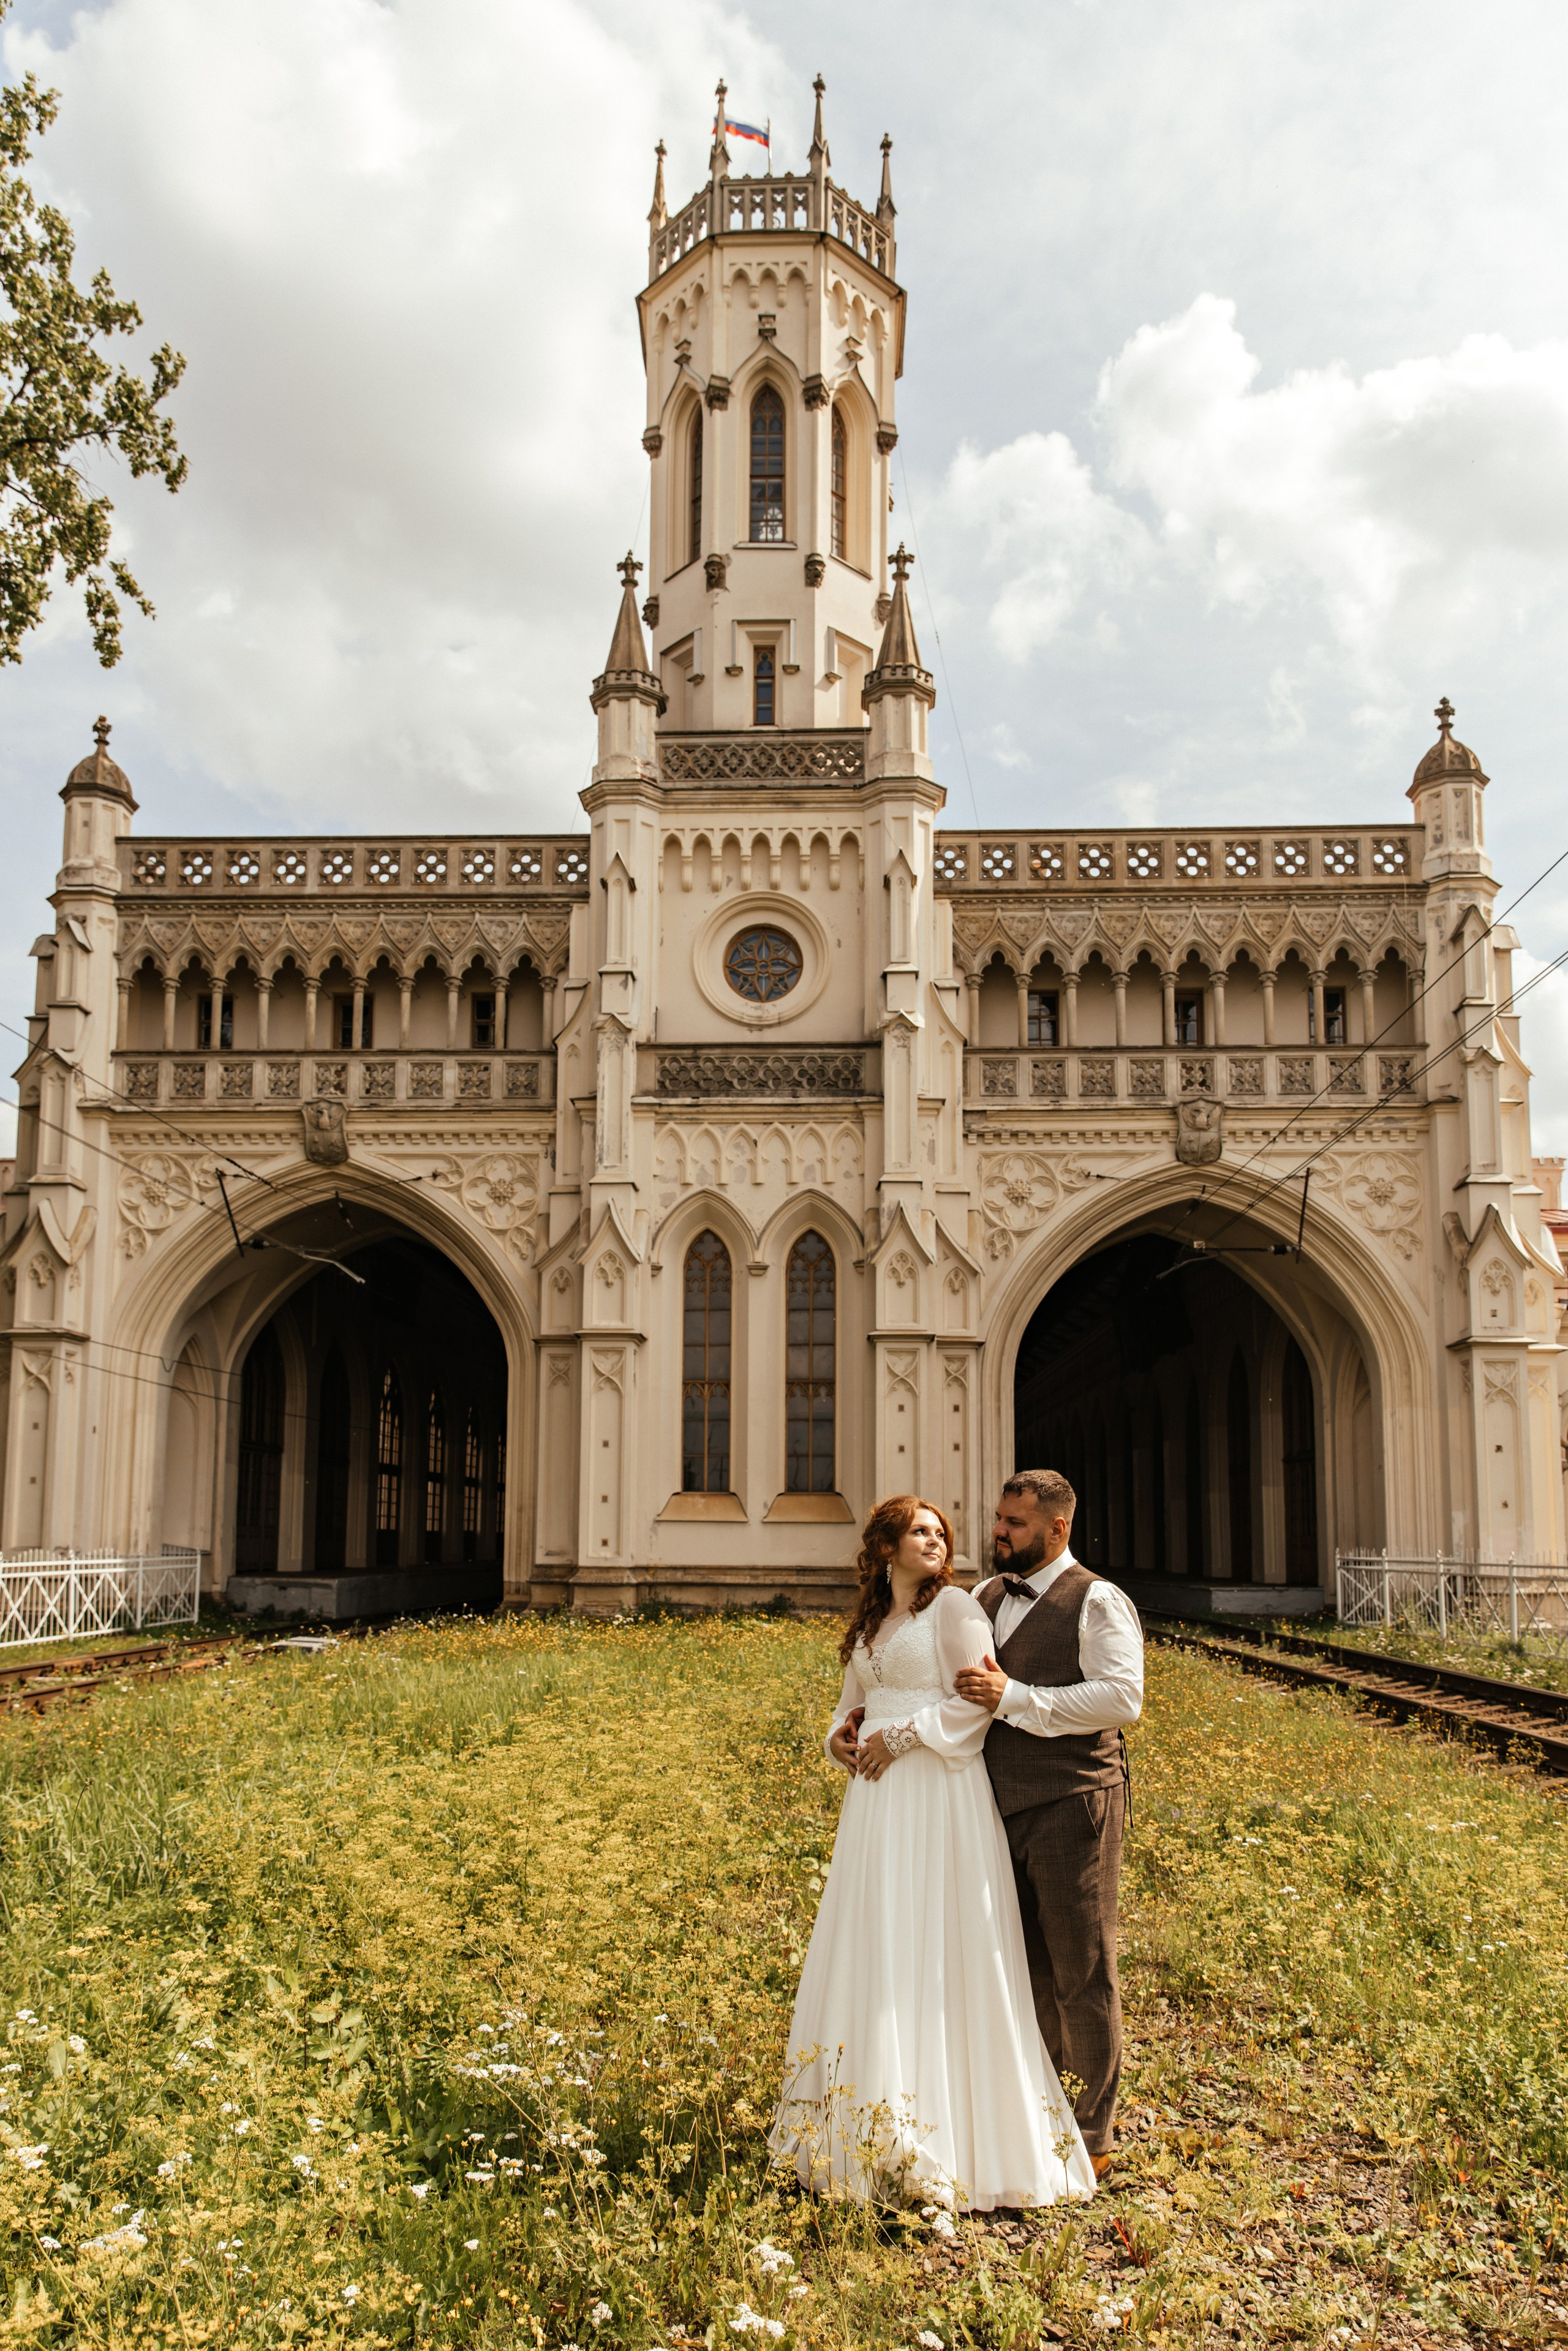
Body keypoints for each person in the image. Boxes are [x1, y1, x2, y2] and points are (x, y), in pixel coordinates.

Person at [771, 1494, 1095, 2212]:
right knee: (876, 1943)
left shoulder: (955, 1612)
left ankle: (953, 2139)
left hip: (940, 1792)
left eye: (941, 1532)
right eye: (920, 1531)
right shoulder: (872, 1621)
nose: (936, 1541)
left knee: (939, 1945)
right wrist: (842, 1741)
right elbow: (849, 1704)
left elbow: (975, 1702)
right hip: (876, 1802)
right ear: (885, 1546)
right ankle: (864, 2126)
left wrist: (903, 1737)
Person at [954, 1470, 1144, 2179]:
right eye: (999, 1518)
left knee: (1081, 1968)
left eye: (1016, 1524)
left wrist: (1016, 1697)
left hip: (1074, 1802)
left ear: (1057, 1529)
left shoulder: (1096, 1599)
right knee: (1025, 1963)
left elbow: (1121, 1699)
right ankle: (1040, 2112)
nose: (999, 1532)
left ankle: (1093, 2132)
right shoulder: (986, 1595)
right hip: (996, 1803)